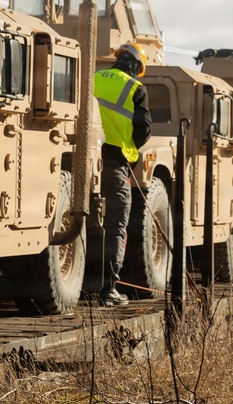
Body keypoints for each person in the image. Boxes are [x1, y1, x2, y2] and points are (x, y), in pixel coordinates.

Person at [93, 42, 152, 306]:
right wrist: (131, 151)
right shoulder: (135, 88)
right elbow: (144, 130)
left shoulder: (92, 76)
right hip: (114, 162)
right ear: (137, 67)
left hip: (82, 158)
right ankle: (108, 290)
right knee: (115, 225)